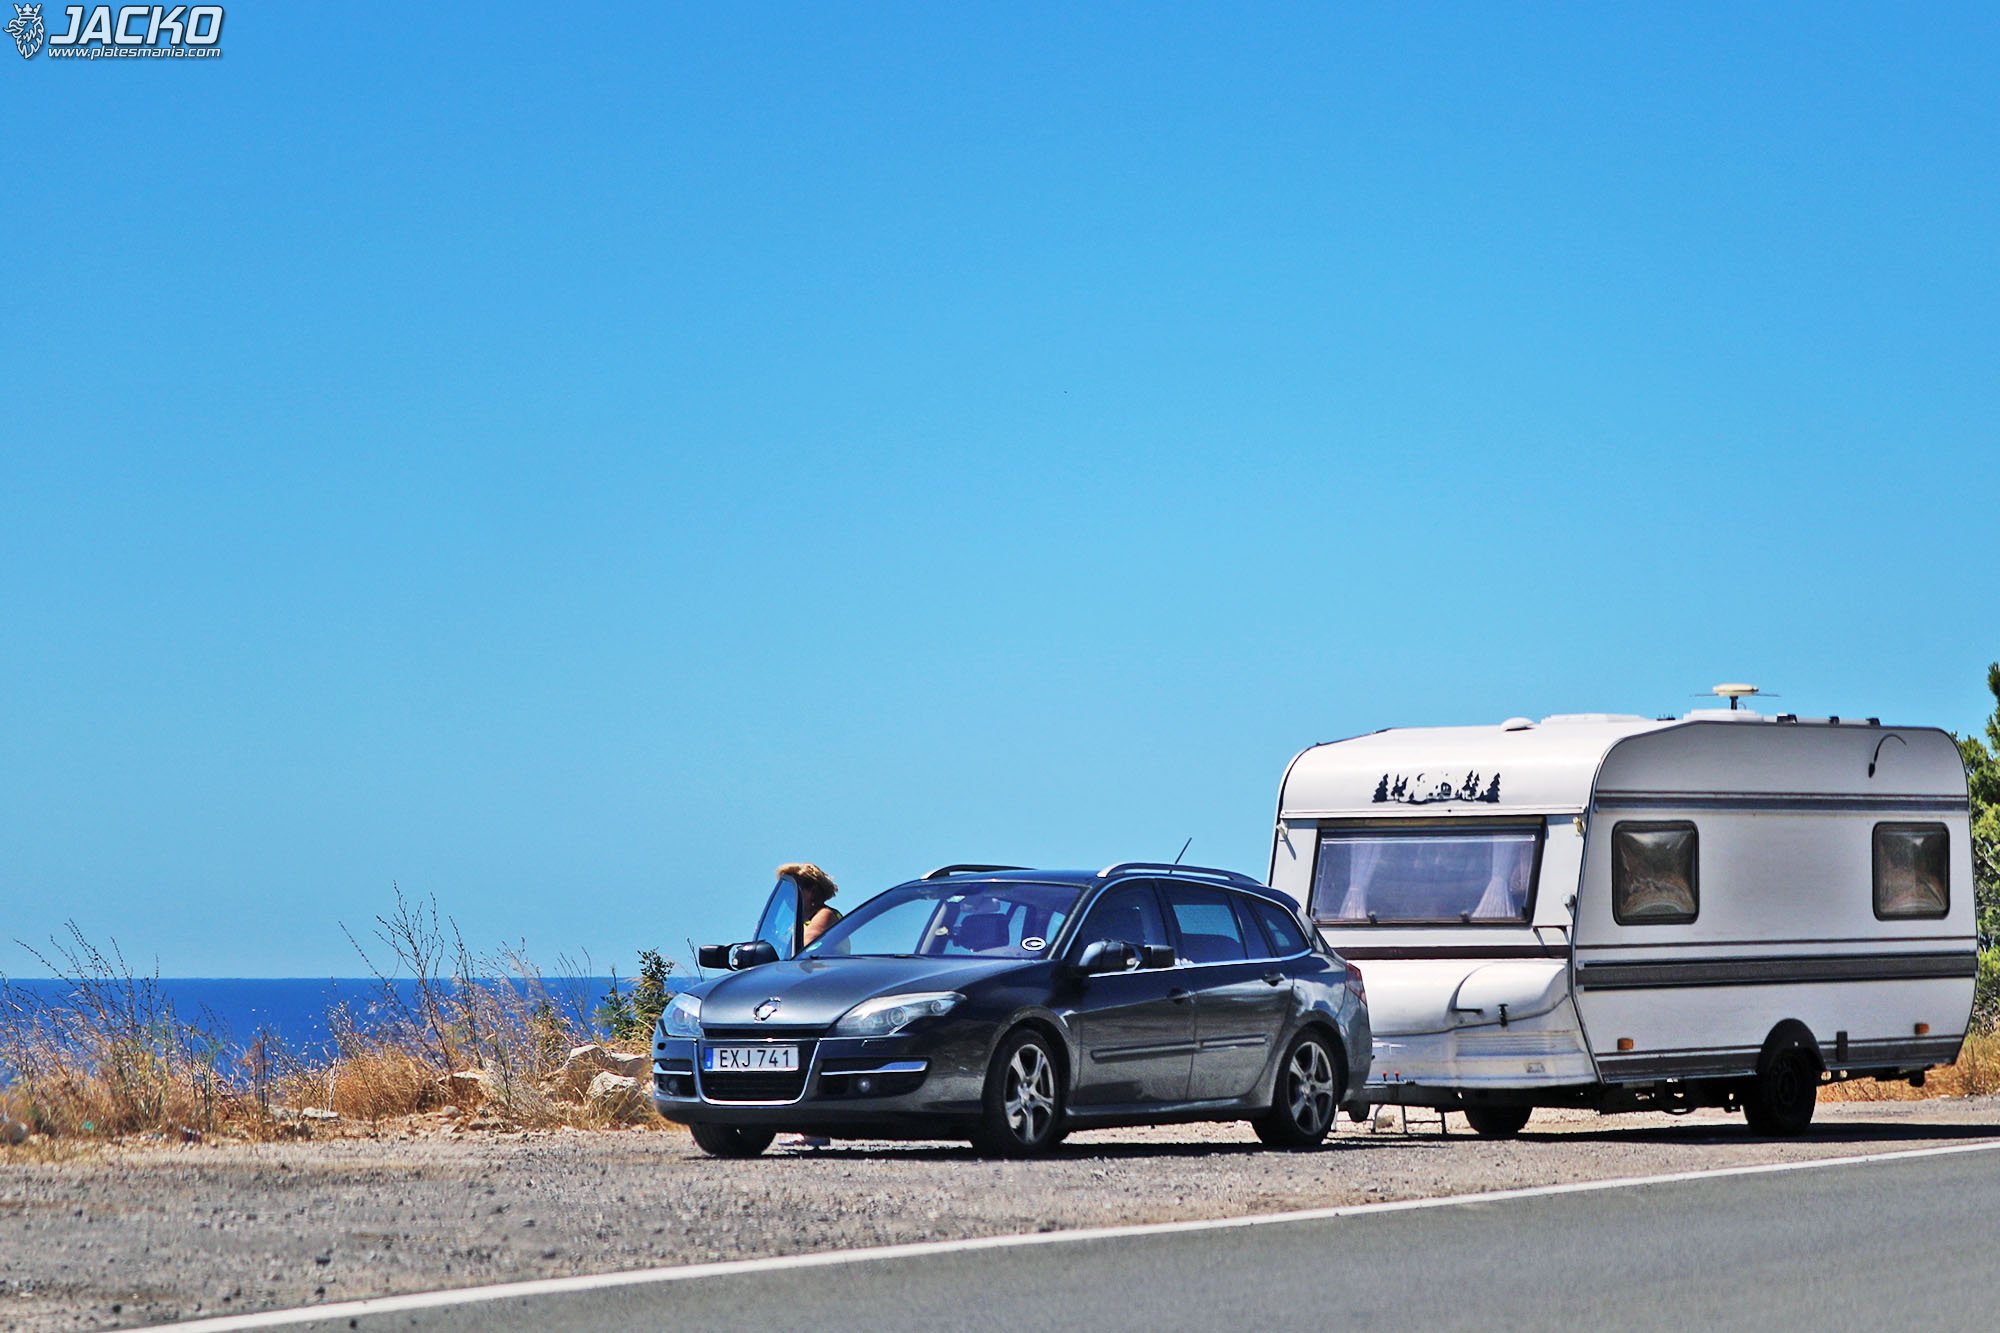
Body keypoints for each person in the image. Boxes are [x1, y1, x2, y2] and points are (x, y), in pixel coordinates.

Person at [775, 862, 840, 1151]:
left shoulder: (824, 916)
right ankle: (805, 1127)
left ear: (811, 891)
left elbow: (806, 947)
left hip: (821, 995)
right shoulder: (799, 921)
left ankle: (815, 1128)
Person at [778, 861, 843, 949]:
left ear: (812, 891)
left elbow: (806, 948)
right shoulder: (797, 924)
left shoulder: (825, 914)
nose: (788, 897)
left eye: (793, 890)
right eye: (785, 892)